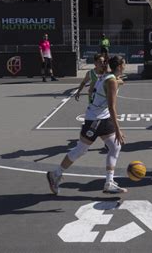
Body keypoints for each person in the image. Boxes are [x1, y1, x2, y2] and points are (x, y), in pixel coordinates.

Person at [47, 55, 128, 194]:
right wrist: (118, 129)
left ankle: (109, 182)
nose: (125, 67)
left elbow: (114, 82)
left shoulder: (106, 76)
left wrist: (120, 82)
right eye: (124, 64)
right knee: (81, 150)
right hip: (95, 120)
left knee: (115, 146)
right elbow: (112, 107)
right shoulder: (111, 81)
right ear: (119, 66)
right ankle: (55, 174)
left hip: (102, 118)